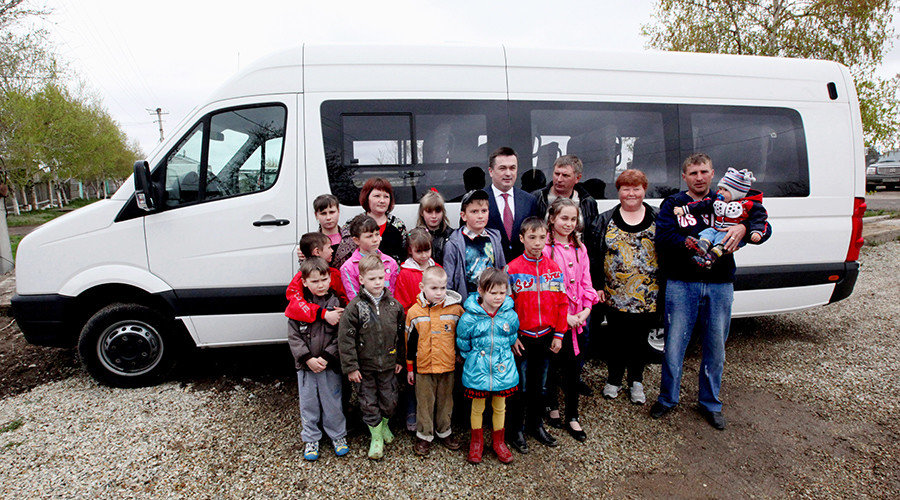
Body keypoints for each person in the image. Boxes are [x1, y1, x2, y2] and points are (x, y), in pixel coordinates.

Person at [650, 154, 771, 430]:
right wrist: (693, 244)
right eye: (693, 173)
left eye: (704, 171)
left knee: (715, 348)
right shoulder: (674, 204)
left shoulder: (730, 201)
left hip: (720, 284)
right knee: (674, 347)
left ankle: (710, 403)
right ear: (684, 177)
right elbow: (664, 237)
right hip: (682, 283)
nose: (699, 177)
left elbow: (763, 225)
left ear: (713, 173)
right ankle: (668, 399)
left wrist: (742, 227)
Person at [588, 169, 659, 405]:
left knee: (640, 340)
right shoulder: (604, 219)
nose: (631, 193)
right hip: (614, 294)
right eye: (626, 188)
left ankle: (636, 381)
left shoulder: (658, 217)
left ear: (644, 190)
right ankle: (614, 379)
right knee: (616, 338)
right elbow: (594, 256)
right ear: (618, 191)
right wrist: (597, 285)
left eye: (636, 188)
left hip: (648, 294)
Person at [505, 217, 568, 453]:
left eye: (542, 237)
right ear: (521, 238)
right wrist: (512, 336)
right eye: (532, 237)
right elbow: (505, 308)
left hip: (546, 336)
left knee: (539, 385)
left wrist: (560, 334)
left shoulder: (554, 269)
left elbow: (563, 304)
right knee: (519, 387)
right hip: (521, 338)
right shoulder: (512, 269)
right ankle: (516, 429)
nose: (537, 243)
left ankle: (536, 424)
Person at [338, 254, 406, 459]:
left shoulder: (394, 306)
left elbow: (400, 335)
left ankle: (384, 425)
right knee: (368, 402)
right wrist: (351, 367)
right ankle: (375, 436)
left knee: (390, 400)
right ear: (361, 280)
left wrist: (400, 359)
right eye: (372, 279)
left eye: (381, 278)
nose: (378, 283)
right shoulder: (354, 308)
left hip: (387, 364)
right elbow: (346, 339)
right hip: (364, 368)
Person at [542, 198, 599, 441]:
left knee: (574, 368)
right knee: (554, 364)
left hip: (579, 318)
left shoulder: (580, 248)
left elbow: (586, 282)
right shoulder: (545, 249)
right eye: (564, 218)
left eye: (573, 219)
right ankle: (552, 405)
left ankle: (573, 416)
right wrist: (564, 317)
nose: (568, 223)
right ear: (552, 218)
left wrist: (585, 311)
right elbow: (544, 289)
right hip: (557, 319)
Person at [286, 257, 348, 461]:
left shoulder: (337, 303)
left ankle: (338, 435)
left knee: (333, 402)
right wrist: (307, 359)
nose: (320, 285)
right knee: (309, 404)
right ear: (304, 282)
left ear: (330, 279)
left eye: (324, 279)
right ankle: (311, 437)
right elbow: (294, 337)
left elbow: (341, 336)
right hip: (306, 367)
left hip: (329, 366)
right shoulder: (298, 306)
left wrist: (326, 357)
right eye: (314, 281)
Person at [456, 267, 519, 464]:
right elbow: (463, 341)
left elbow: (512, 335)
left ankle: (498, 442)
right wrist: (472, 357)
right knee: (477, 407)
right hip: (478, 369)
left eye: (502, 293)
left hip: (502, 368)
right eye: (493, 293)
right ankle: (477, 441)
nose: (498, 297)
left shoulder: (509, 315)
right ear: (481, 291)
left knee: (500, 406)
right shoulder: (469, 317)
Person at [405, 266, 464, 455]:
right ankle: (424, 436)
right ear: (422, 287)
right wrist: (409, 368)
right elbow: (409, 343)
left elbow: (461, 337)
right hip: (423, 367)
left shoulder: (456, 310)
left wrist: (460, 356)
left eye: (442, 288)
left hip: (447, 366)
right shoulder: (414, 312)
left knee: (446, 401)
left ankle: (444, 431)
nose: (439, 293)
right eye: (433, 288)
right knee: (424, 402)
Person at [673, 167, 769, 267]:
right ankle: (702, 245)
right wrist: (684, 209)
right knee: (708, 232)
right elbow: (702, 205)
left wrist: (754, 231)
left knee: (722, 240)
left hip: (730, 235)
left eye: (725, 190)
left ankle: (710, 258)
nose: (721, 192)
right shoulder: (716, 201)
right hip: (717, 229)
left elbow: (760, 220)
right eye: (720, 189)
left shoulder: (749, 205)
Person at [444, 189, 506, 302]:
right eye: (474, 212)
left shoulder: (494, 239)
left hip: (492, 302)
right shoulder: (454, 243)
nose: (480, 216)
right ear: (463, 216)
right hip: (467, 302)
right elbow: (448, 279)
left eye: (484, 211)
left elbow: (502, 269)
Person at [334, 178, 407, 267]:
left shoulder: (398, 225)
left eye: (386, 196)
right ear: (367, 198)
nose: (382, 200)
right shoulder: (353, 224)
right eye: (377, 196)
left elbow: (405, 255)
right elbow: (343, 259)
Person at [485, 146, 539, 262]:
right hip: (490, 271)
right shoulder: (479, 200)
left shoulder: (529, 201)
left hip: (522, 272)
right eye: (502, 168)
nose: (508, 173)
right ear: (491, 171)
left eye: (512, 168)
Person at [532, 155, 600, 236]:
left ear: (577, 178)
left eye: (565, 175)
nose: (559, 179)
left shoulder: (588, 203)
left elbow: (592, 236)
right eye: (557, 174)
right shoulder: (536, 198)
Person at [339, 214, 400, 301]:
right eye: (369, 236)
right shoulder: (348, 268)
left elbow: (394, 292)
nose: (375, 239)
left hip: (388, 310)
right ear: (356, 240)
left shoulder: (390, 262)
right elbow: (354, 297)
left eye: (377, 234)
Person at [287, 232, 347, 310]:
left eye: (324, 279)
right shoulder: (300, 277)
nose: (332, 251)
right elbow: (295, 304)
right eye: (329, 247)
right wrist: (322, 314)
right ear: (317, 252)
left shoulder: (335, 273)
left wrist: (344, 313)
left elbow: (344, 298)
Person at [416, 189, 454, 264]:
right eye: (429, 211)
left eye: (438, 211)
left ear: (443, 212)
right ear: (422, 212)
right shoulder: (415, 237)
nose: (434, 216)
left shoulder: (452, 236)